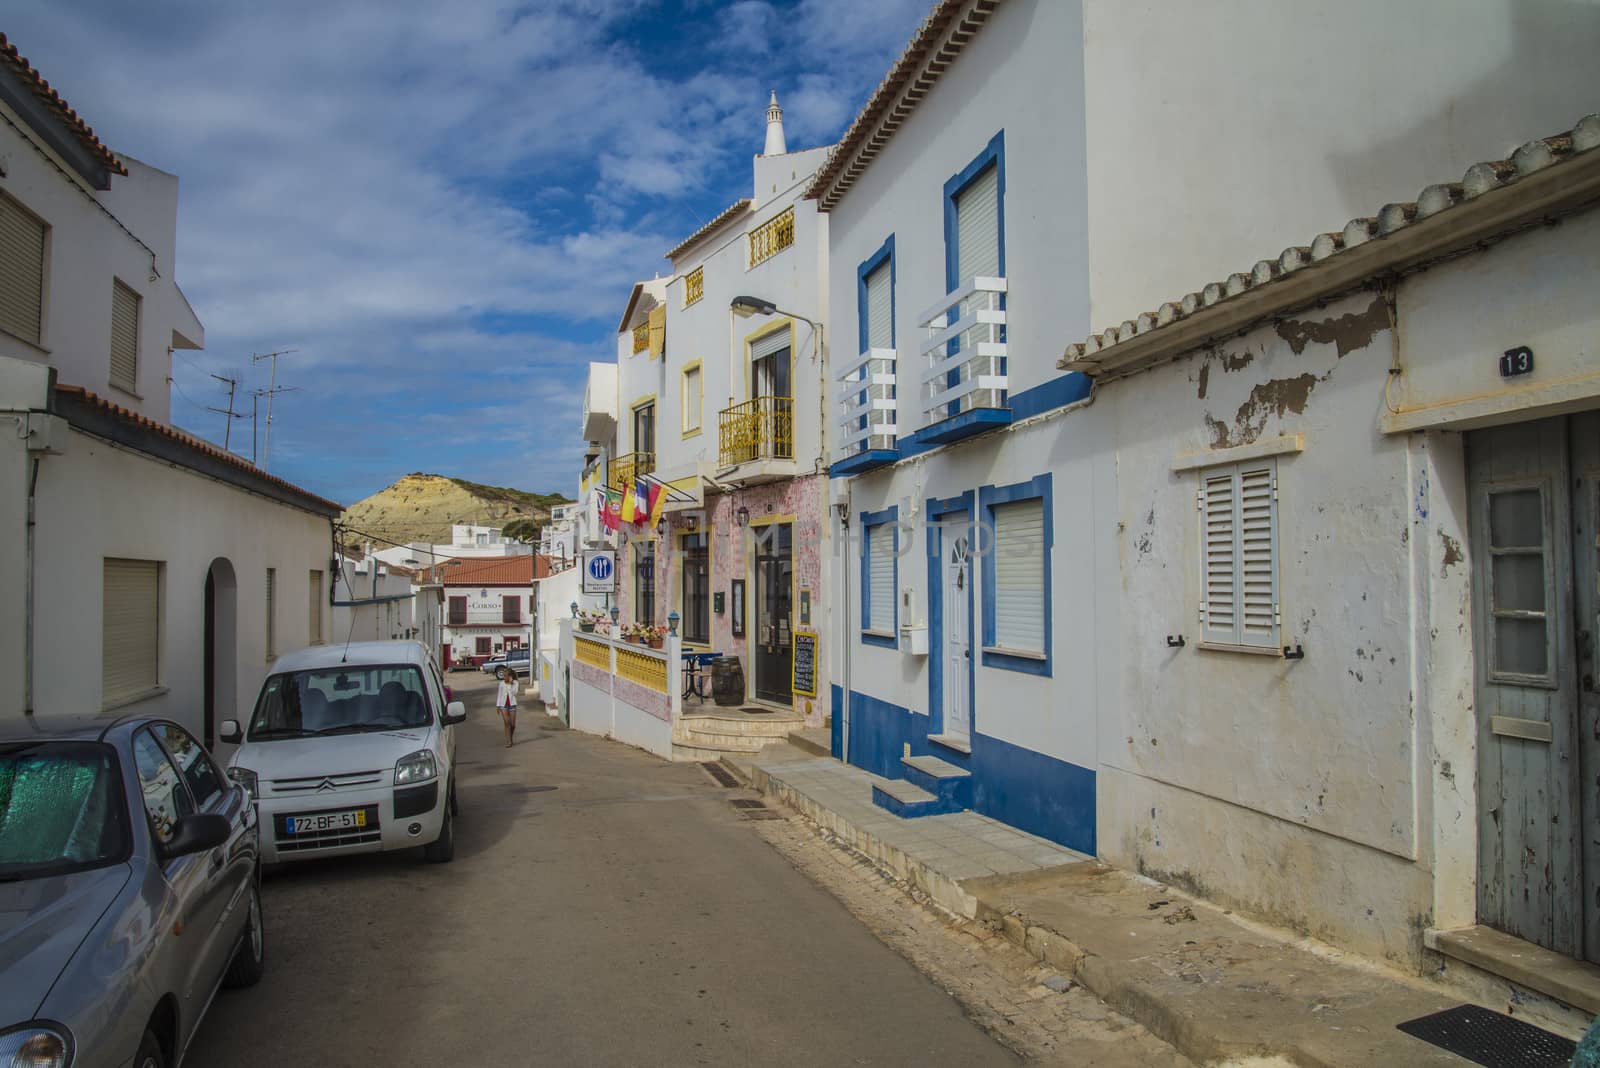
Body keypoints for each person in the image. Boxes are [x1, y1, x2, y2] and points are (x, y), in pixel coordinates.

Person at [495, 665, 518, 748]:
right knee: (507, 723)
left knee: (513, 725)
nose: (504, 677)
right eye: (503, 676)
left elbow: (515, 693)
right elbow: (499, 695)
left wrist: (511, 684)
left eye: (505, 676)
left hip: (512, 705)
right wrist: (498, 706)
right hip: (503, 705)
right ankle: (508, 741)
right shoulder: (501, 684)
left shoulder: (515, 683)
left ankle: (510, 737)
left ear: (510, 676)